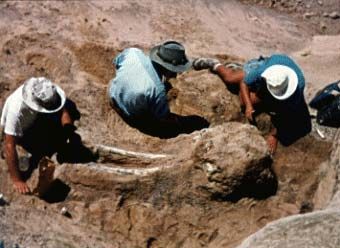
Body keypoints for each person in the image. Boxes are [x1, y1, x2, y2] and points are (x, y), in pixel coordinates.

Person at [193, 54, 311, 154]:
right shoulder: (265, 71)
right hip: (263, 65)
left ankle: (247, 76)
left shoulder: (296, 90)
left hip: (280, 83)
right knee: (231, 79)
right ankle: (216, 64)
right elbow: (245, 83)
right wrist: (249, 106)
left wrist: (274, 135)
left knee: (275, 105)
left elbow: (288, 116)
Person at [108, 40, 209, 137]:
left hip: (112, 92)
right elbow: (164, 118)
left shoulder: (133, 53)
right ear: (168, 68)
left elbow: (117, 63)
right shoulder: (157, 90)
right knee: (178, 124)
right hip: (129, 113)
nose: (176, 75)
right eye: (175, 71)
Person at [1, 77, 77, 194]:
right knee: (36, 150)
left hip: (35, 118)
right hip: (23, 130)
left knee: (69, 110)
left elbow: (63, 110)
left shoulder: (45, 88)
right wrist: (17, 180)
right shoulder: (16, 112)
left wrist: (68, 133)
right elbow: (9, 145)